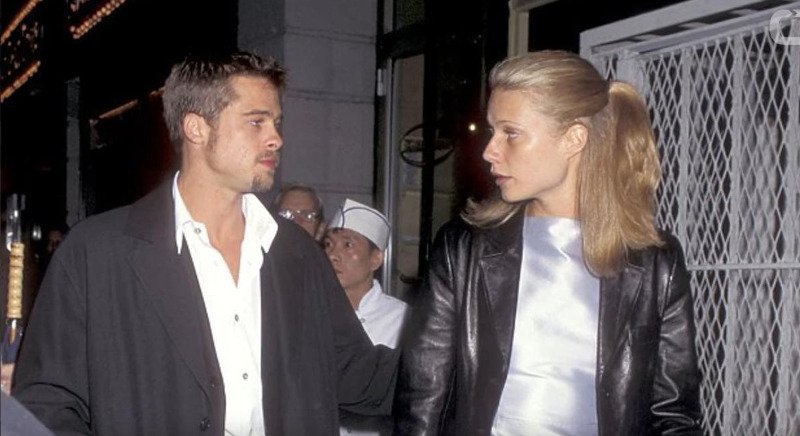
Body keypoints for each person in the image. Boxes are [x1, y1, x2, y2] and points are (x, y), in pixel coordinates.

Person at [12, 51, 397, 435]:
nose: (276, 139)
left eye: (276, 123)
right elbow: (48, 404)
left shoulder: (296, 253)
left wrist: (434, 354)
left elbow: (356, 374)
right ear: (196, 129)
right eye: (256, 122)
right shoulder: (97, 253)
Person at [394, 50, 701, 435]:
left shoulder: (656, 263)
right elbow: (421, 401)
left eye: (511, 133)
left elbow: (674, 415)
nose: (489, 150)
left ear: (573, 138)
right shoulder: (463, 250)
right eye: (492, 131)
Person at [324, 199, 408, 435]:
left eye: (348, 245)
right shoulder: (311, 314)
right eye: (328, 245)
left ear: (375, 259)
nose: (333, 255)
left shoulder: (404, 320)